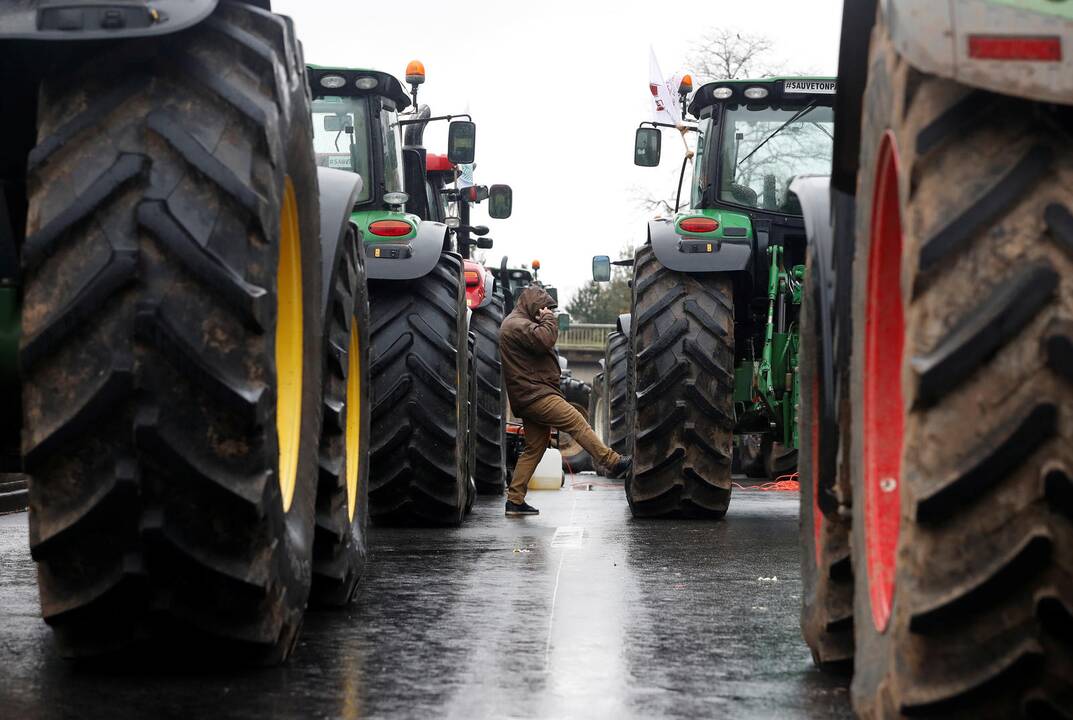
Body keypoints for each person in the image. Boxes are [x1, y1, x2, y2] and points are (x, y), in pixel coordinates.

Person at [498, 285, 631, 516]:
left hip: (529, 395)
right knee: (577, 422)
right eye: (543, 307)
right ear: (532, 304)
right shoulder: (517, 325)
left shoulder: (517, 323)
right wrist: (549, 320)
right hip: (537, 395)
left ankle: (515, 500)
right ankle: (613, 462)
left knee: (534, 449)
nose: (546, 311)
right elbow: (544, 340)